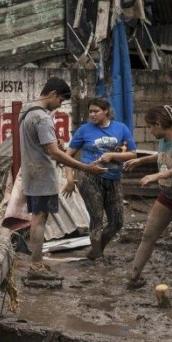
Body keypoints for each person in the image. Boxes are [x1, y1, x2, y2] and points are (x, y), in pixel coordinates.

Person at [19, 77, 106, 280]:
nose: (59, 106)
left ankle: (36, 263)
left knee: (38, 217)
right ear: (53, 94)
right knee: (40, 218)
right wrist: (85, 167)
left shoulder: (26, 111)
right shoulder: (42, 118)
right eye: (60, 100)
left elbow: (43, 144)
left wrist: (53, 144)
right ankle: (36, 265)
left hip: (31, 173)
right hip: (42, 175)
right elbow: (54, 153)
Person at [123, 105, 172, 290]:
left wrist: (157, 176)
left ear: (158, 124)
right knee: (148, 235)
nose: (150, 131)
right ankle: (134, 278)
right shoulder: (165, 140)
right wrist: (142, 160)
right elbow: (163, 155)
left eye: (151, 126)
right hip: (168, 195)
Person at [62, 97, 137, 260]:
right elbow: (67, 155)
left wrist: (112, 155)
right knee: (96, 218)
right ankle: (98, 257)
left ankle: (96, 251)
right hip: (90, 179)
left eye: (96, 111)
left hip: (114, 179)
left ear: (106, 111)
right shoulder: (84, 130)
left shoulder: (121, 128)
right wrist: (69, 178)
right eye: (90, 112)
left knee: (117, 222)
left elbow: (132, 154)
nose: (92, 115)